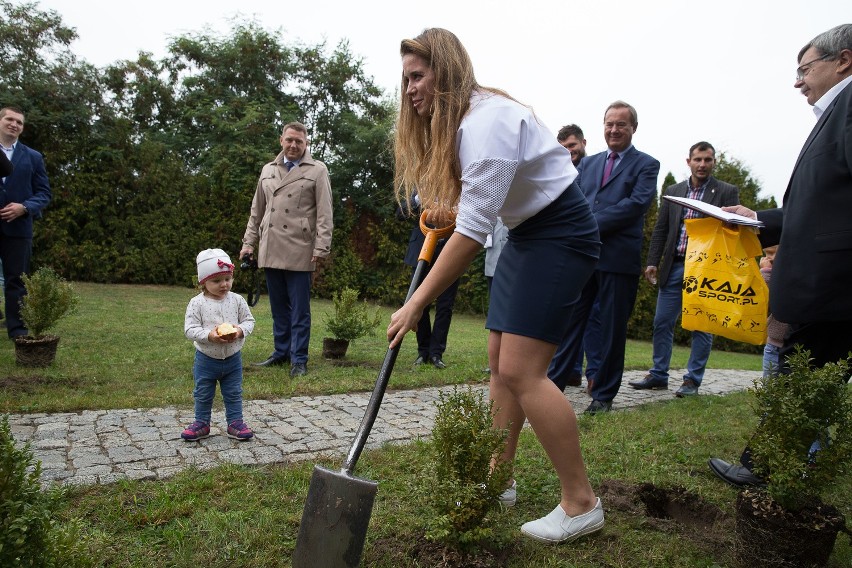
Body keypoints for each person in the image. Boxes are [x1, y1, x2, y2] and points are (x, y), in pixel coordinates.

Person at [388, 28, 604, 544]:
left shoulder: (488, 121)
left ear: (445, 69)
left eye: (418, 76)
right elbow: (482, 206)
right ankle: (496, 478)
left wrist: (417, 301)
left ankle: (581, 502)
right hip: (527, 234)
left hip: (560, 235)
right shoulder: (464, 120)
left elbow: (472, 234)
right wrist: (456, 206)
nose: (411, 89)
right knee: (498, 362)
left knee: (522, 370)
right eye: (406, 79)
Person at [709, 24, 852, 487]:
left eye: (805, 69)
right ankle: (779, 467)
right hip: (830, 277)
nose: (798, 81)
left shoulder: (849, 106)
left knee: (803, 369)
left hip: (835, 279)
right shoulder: (833, 114)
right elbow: (817, 207)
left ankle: (766, 468)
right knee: (807, 374)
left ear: (843, 61)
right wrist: (759, 219)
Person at [549, 101, 660, 414]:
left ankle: (603, 396)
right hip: (584, 257)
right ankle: (552, 384)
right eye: (609, 124)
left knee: (611, 329)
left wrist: (587, 224)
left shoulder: (647, 165)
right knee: (570, 322)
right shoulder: (589, 163)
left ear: (632, 128)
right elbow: (576, 199)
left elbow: (635, 205)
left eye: (621, 125)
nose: (614, 130)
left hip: (618, 259)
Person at [629, 142, 739, 397]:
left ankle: (692, 380)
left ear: (714, 162)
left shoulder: (726, 191)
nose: (702, 164)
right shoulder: (674, 191)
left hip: (706, 270)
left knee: (702, 326)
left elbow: (733, 231)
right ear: (688, 161)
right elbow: (661, 229)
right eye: (698, 159)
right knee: (662, 322)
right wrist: (652, 261)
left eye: (708, 160)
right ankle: (658, 375)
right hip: (675, 265)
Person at [240, 121, 333, 377]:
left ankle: (299, 359)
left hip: (300, 248)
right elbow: (256, 210)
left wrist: (321, 246)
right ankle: (281, 352)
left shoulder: (317, 170)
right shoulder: (268, 170)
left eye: (299, 141)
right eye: (289, 140)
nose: (293, 145)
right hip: (270, 247)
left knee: (300, 309)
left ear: (306, 144)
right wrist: (249, 243)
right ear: (281, 140)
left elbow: (325, 213)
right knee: (278, 307)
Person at [182, 249, 256, 441]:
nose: (224, 284)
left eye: (228, 279)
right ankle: (201, 423)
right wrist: (209, 336)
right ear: (203, 282)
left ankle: (235, 422)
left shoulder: (237, 300)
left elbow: (249, 321)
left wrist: (239, 331)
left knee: (233, 392)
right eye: (217, 281)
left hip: (233, 358)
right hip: (206, 359)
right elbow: (189, 329)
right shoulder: (196, 303)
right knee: (203, 392)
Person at [0, 107, 52, 339]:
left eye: (19, 122)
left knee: (17, 281)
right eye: (9, 119)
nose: (14, 124)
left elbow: (43, 193)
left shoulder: (33, 157)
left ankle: (17, 331)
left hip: (18, 229)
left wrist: (25, 208)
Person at [401, 193, 460, 369]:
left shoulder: (457, 189)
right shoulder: (419, 188)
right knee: (419, 302)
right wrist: (419, 198)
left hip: (450, 252)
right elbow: (400, 213)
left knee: (445, 306)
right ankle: (423, 351)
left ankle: (436, 354)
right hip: (422, 252)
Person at [759, 246, 788, 377]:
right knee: (771, 389)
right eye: (766, 254)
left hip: (792, 344)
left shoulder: (788, 271)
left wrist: (766, 272)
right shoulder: (772, 273)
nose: (767, 258)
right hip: (774, 345)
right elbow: (762, 302)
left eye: (771, 253)